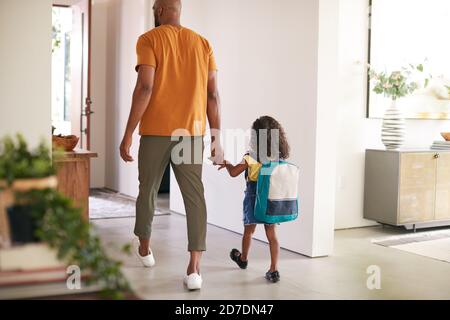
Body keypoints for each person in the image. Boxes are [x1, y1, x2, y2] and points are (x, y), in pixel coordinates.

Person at [119, 0, 224, 291]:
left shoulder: (149, 39)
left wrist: (128, 132)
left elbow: (145, 86)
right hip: (191, 132)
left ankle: (144, 248)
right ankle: (194, 269)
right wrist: (216, 138)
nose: (155, 13)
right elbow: (213, 95)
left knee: (148, 189)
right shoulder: (202, 44)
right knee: (194, 197)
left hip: (155, 132)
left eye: (155, 9)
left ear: (162, 9)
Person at [218, 116, 291, 283]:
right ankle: (274, 269)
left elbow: (234, 172)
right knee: (272, 235)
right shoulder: (277, 157)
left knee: (248, 232)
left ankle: (243, 259)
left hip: (253, 198)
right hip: (271, 199)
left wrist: (228, 164)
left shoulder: (251, 156)